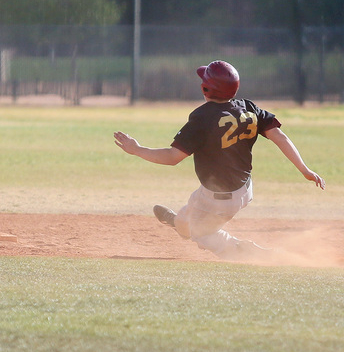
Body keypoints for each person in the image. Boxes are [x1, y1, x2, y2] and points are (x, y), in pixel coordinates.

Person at [114, 60, 325, 261]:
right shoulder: (248, 107)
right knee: (187, 217)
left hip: (218, 199)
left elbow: (172, 157)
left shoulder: (202, 117)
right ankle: (178, 222)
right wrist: (304, 169)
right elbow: (280, 136)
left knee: (203, 234)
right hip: (243, 189)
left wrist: (137, 149)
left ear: (206, 90)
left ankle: (255, 254)